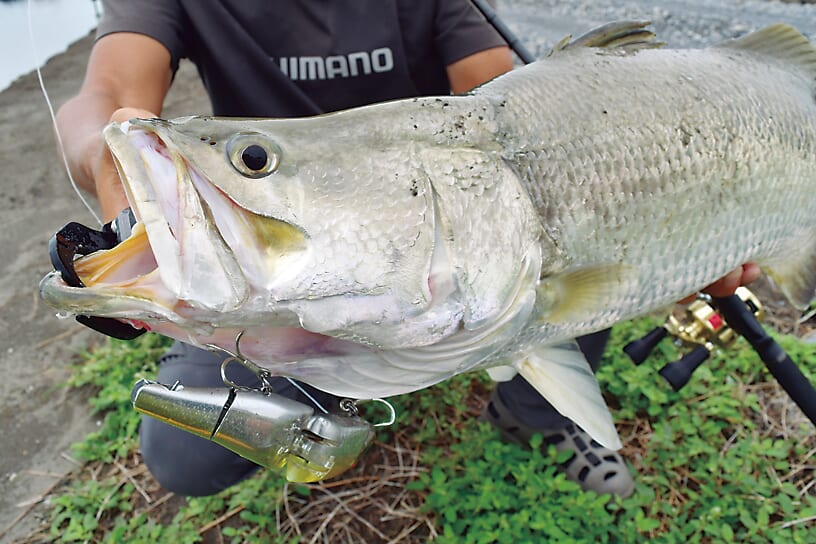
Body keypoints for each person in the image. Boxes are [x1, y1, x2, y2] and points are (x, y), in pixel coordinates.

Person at [56, 0, 760, 499]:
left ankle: (532, 411)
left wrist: (693, 213)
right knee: (184, 457)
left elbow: (495, 83)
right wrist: (110, 165)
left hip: (442, 232)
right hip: (277, 282)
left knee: (562, 255)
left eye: (251, 161)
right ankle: (348, 385)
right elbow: (109, 90)